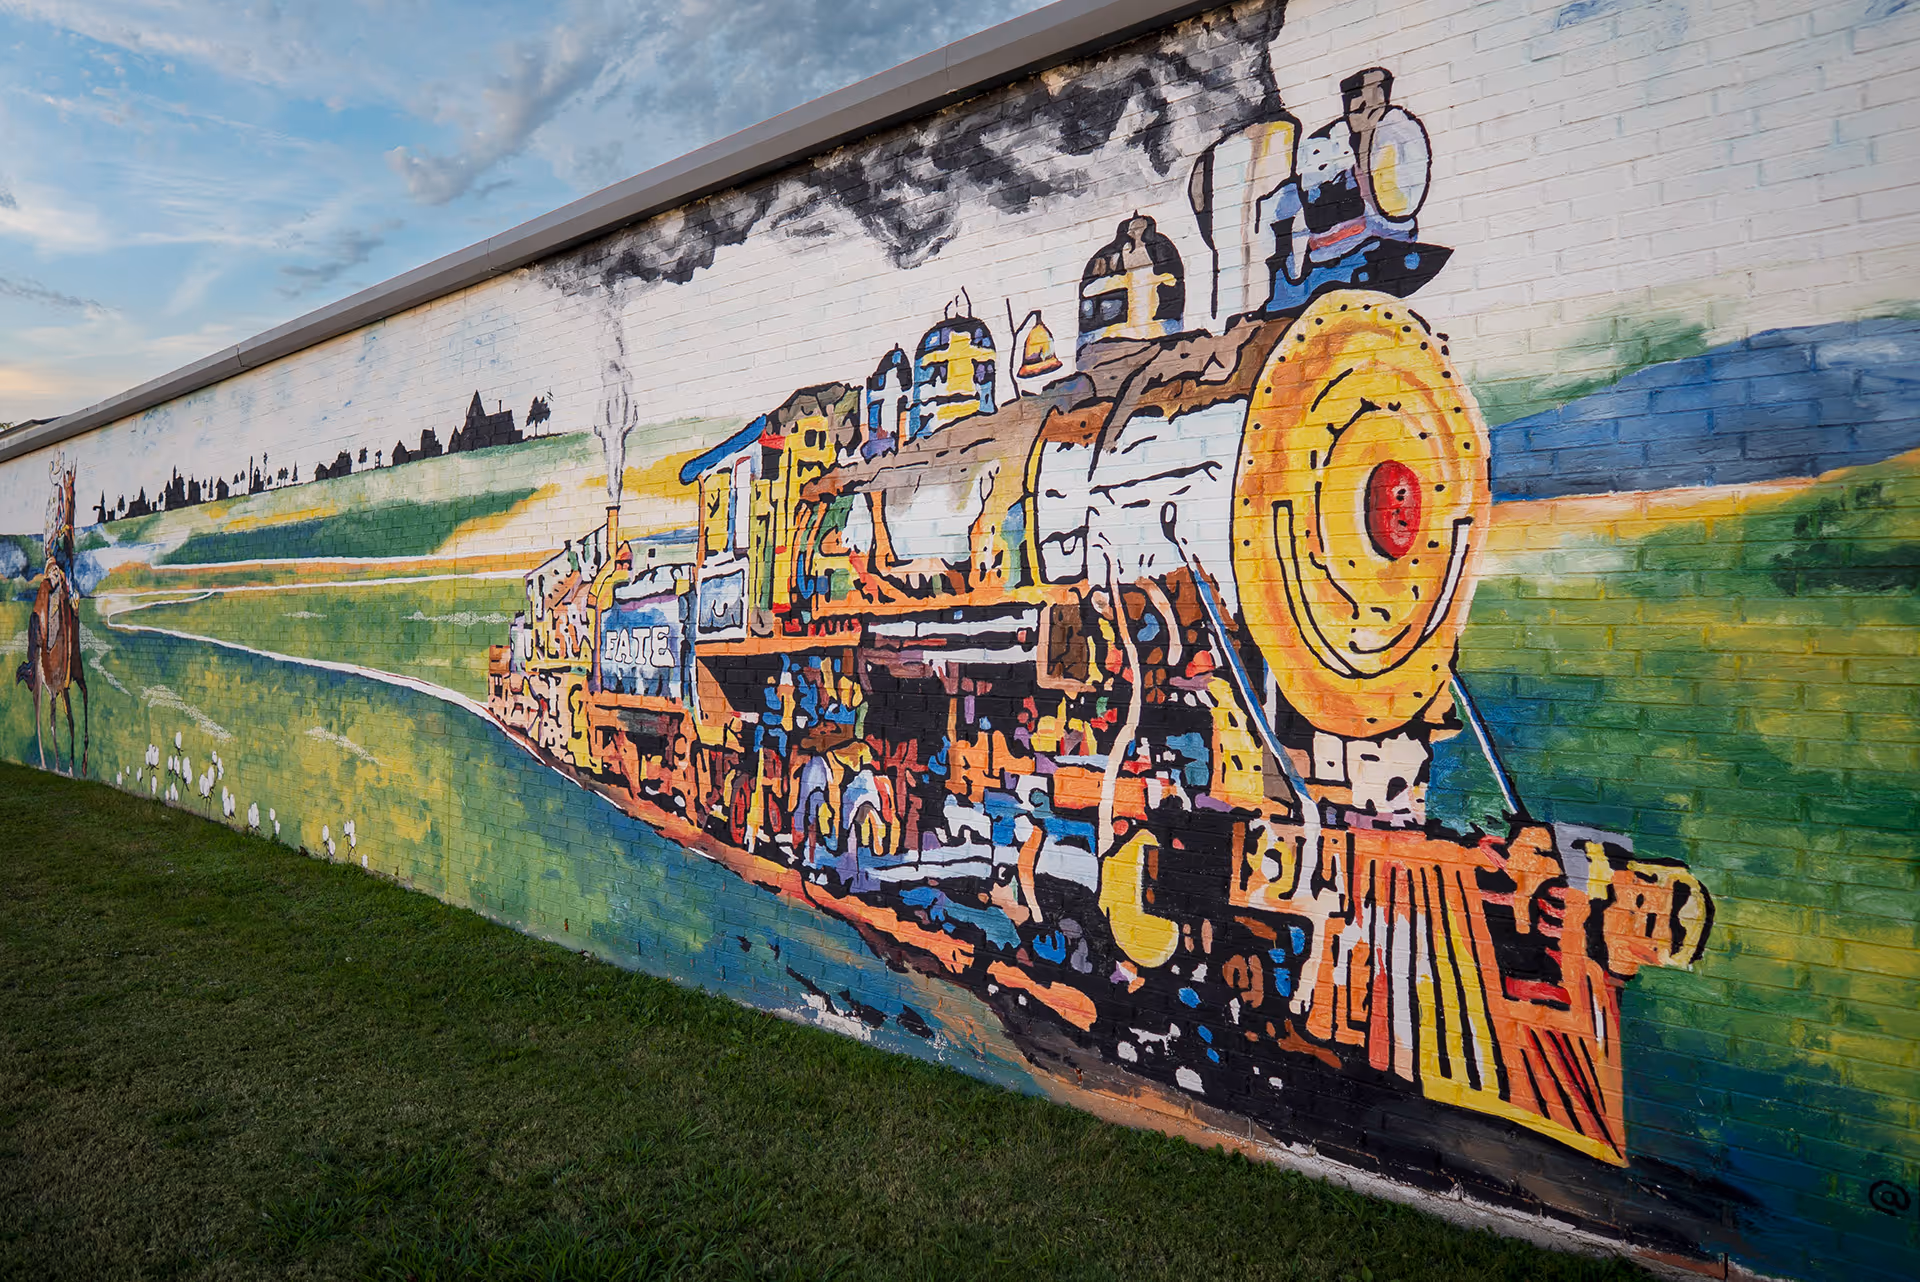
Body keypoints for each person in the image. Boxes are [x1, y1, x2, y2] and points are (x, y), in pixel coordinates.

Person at [1265, 67, 1446, 313]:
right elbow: (1296, 208)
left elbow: (1399, 204)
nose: (1368, 114)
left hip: (1382, 253)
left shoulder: (1398, 136)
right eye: (1360, 107)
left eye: (1375, 106)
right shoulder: (1327, 147)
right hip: (1332, 264)